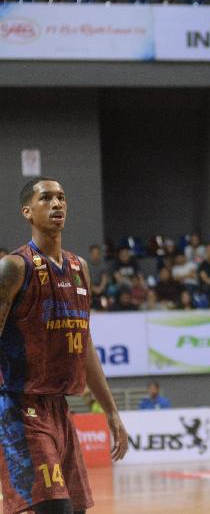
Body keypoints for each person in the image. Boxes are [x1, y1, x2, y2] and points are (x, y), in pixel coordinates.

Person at [0, 177, 128, 514]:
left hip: (60, 408)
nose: (57, 204)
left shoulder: (79, 268)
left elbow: (83, 344)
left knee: (75, 509)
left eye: (61, 197)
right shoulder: (14, 268)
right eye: (46, 198)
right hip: (19, 408)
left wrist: (111, 411)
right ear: (27, 211)